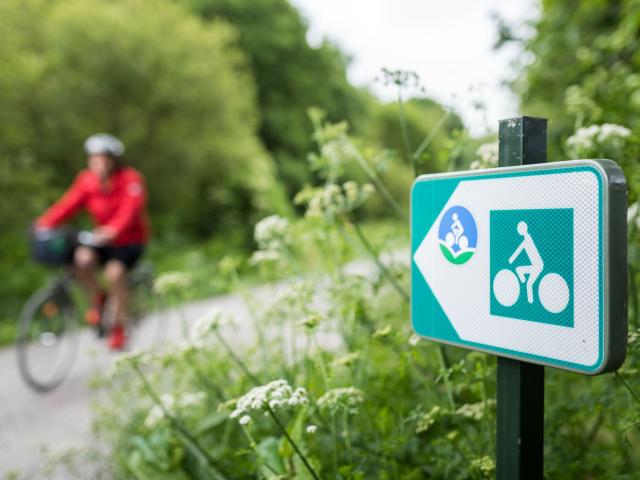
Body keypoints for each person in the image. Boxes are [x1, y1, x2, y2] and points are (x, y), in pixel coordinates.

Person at [36, 134, 150, 350]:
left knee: (114, 274)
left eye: (104, 159)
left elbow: (131, 210)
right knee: (81, 259)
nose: (99, 164)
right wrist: (44, 223)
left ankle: (118, 327)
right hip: (102, 239)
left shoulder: (130, 179)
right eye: (95, 159)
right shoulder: (86, 180)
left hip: (129, 241)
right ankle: (99, 298)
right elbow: (68, 205)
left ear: (114, 160)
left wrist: (113, 229)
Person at [509, 221, 544, 304]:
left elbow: (519, 250)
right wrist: (511, 259)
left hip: (538, 266)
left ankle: (530, 302)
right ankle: (523, 282)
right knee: (520, 272)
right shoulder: (527, 239)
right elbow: (519, 249)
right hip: (536, 265)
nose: (519, 231)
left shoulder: (527, 240)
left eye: (520, 229)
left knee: (528, 284)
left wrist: (511, 259)